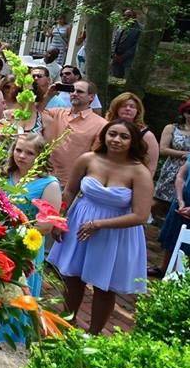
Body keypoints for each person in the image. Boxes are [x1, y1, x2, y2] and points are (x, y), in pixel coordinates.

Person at [47, 120, 151, 334]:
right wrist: (59, 219)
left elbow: (141, 215)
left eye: (124, 136)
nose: (116, 140)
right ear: (104, 135)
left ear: (133, 142)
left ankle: (93, 334)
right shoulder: (88, 159)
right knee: (72, 278)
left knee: (104, 286)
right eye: (112, 134)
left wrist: (99, 224)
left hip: (115, 233)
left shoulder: (139, 172)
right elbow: (69, 192)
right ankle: (66, 325)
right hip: (80, 224)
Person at [0, 134, 59, 344]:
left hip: (24, 248)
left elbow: (46, 225)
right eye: (18, 150)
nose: (22, 156)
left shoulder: (49, 185)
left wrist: (17, 227)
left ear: (41, 156)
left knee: (13, 300)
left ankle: (7, 346)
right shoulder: (3, 175)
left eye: (30, 153)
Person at [41, 80, 108, 187]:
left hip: (70, 184)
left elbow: (96, 159)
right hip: (43, 176)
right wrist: (48, 96)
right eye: (72, 90)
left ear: (91, 97)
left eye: (80, 92)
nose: (74, 94)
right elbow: (35, 113)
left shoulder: (101, 124)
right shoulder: (56, 113)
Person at [105, 92, 159, 179]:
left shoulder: (146, 135)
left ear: (138, 111)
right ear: (116, 108)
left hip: (130, 178)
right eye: (124, 106)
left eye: (132, 107)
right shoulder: (105, 126)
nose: (128, 109)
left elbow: (151, 166)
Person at [154, 100, 190, 219]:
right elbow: (163, 149)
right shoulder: (171, 128)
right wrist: (185, 153)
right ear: (184, 113)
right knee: (160, 201)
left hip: (188, 173)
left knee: (183, 202)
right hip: (171, 169)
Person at [111, 8, 142, 78]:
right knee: (115, 79)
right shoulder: (120, 26)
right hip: (116, 59)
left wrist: (123, 57)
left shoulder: (139, 29)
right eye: (124, 15)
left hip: (128, 61)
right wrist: (114, 54)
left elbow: (136, 46)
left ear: (134, 17)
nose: (126, 17)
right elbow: (114, 41)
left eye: (129, 16)